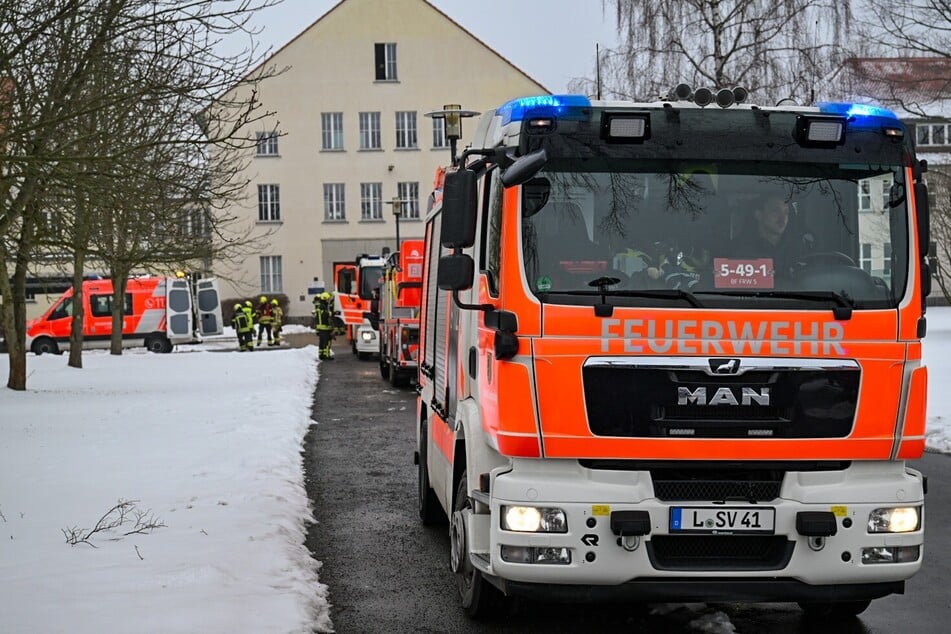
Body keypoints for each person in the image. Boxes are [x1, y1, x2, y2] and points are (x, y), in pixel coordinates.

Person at [732, 193, 813, 277]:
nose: (783, 218)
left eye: (786, 212)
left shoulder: (799, 249)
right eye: (776, 211)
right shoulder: (739, 250)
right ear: (759, 215)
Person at [313, 291, 336, 360]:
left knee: (322, 342)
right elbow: (325, 315)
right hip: (325, 327)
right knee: (327, 342)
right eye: (328, 299)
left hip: (321, 327)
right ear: (325, 299)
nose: (328, 300)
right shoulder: (323, 306)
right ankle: (326, 355)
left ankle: (321, 355)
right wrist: (333, 313)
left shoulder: (319, 306)